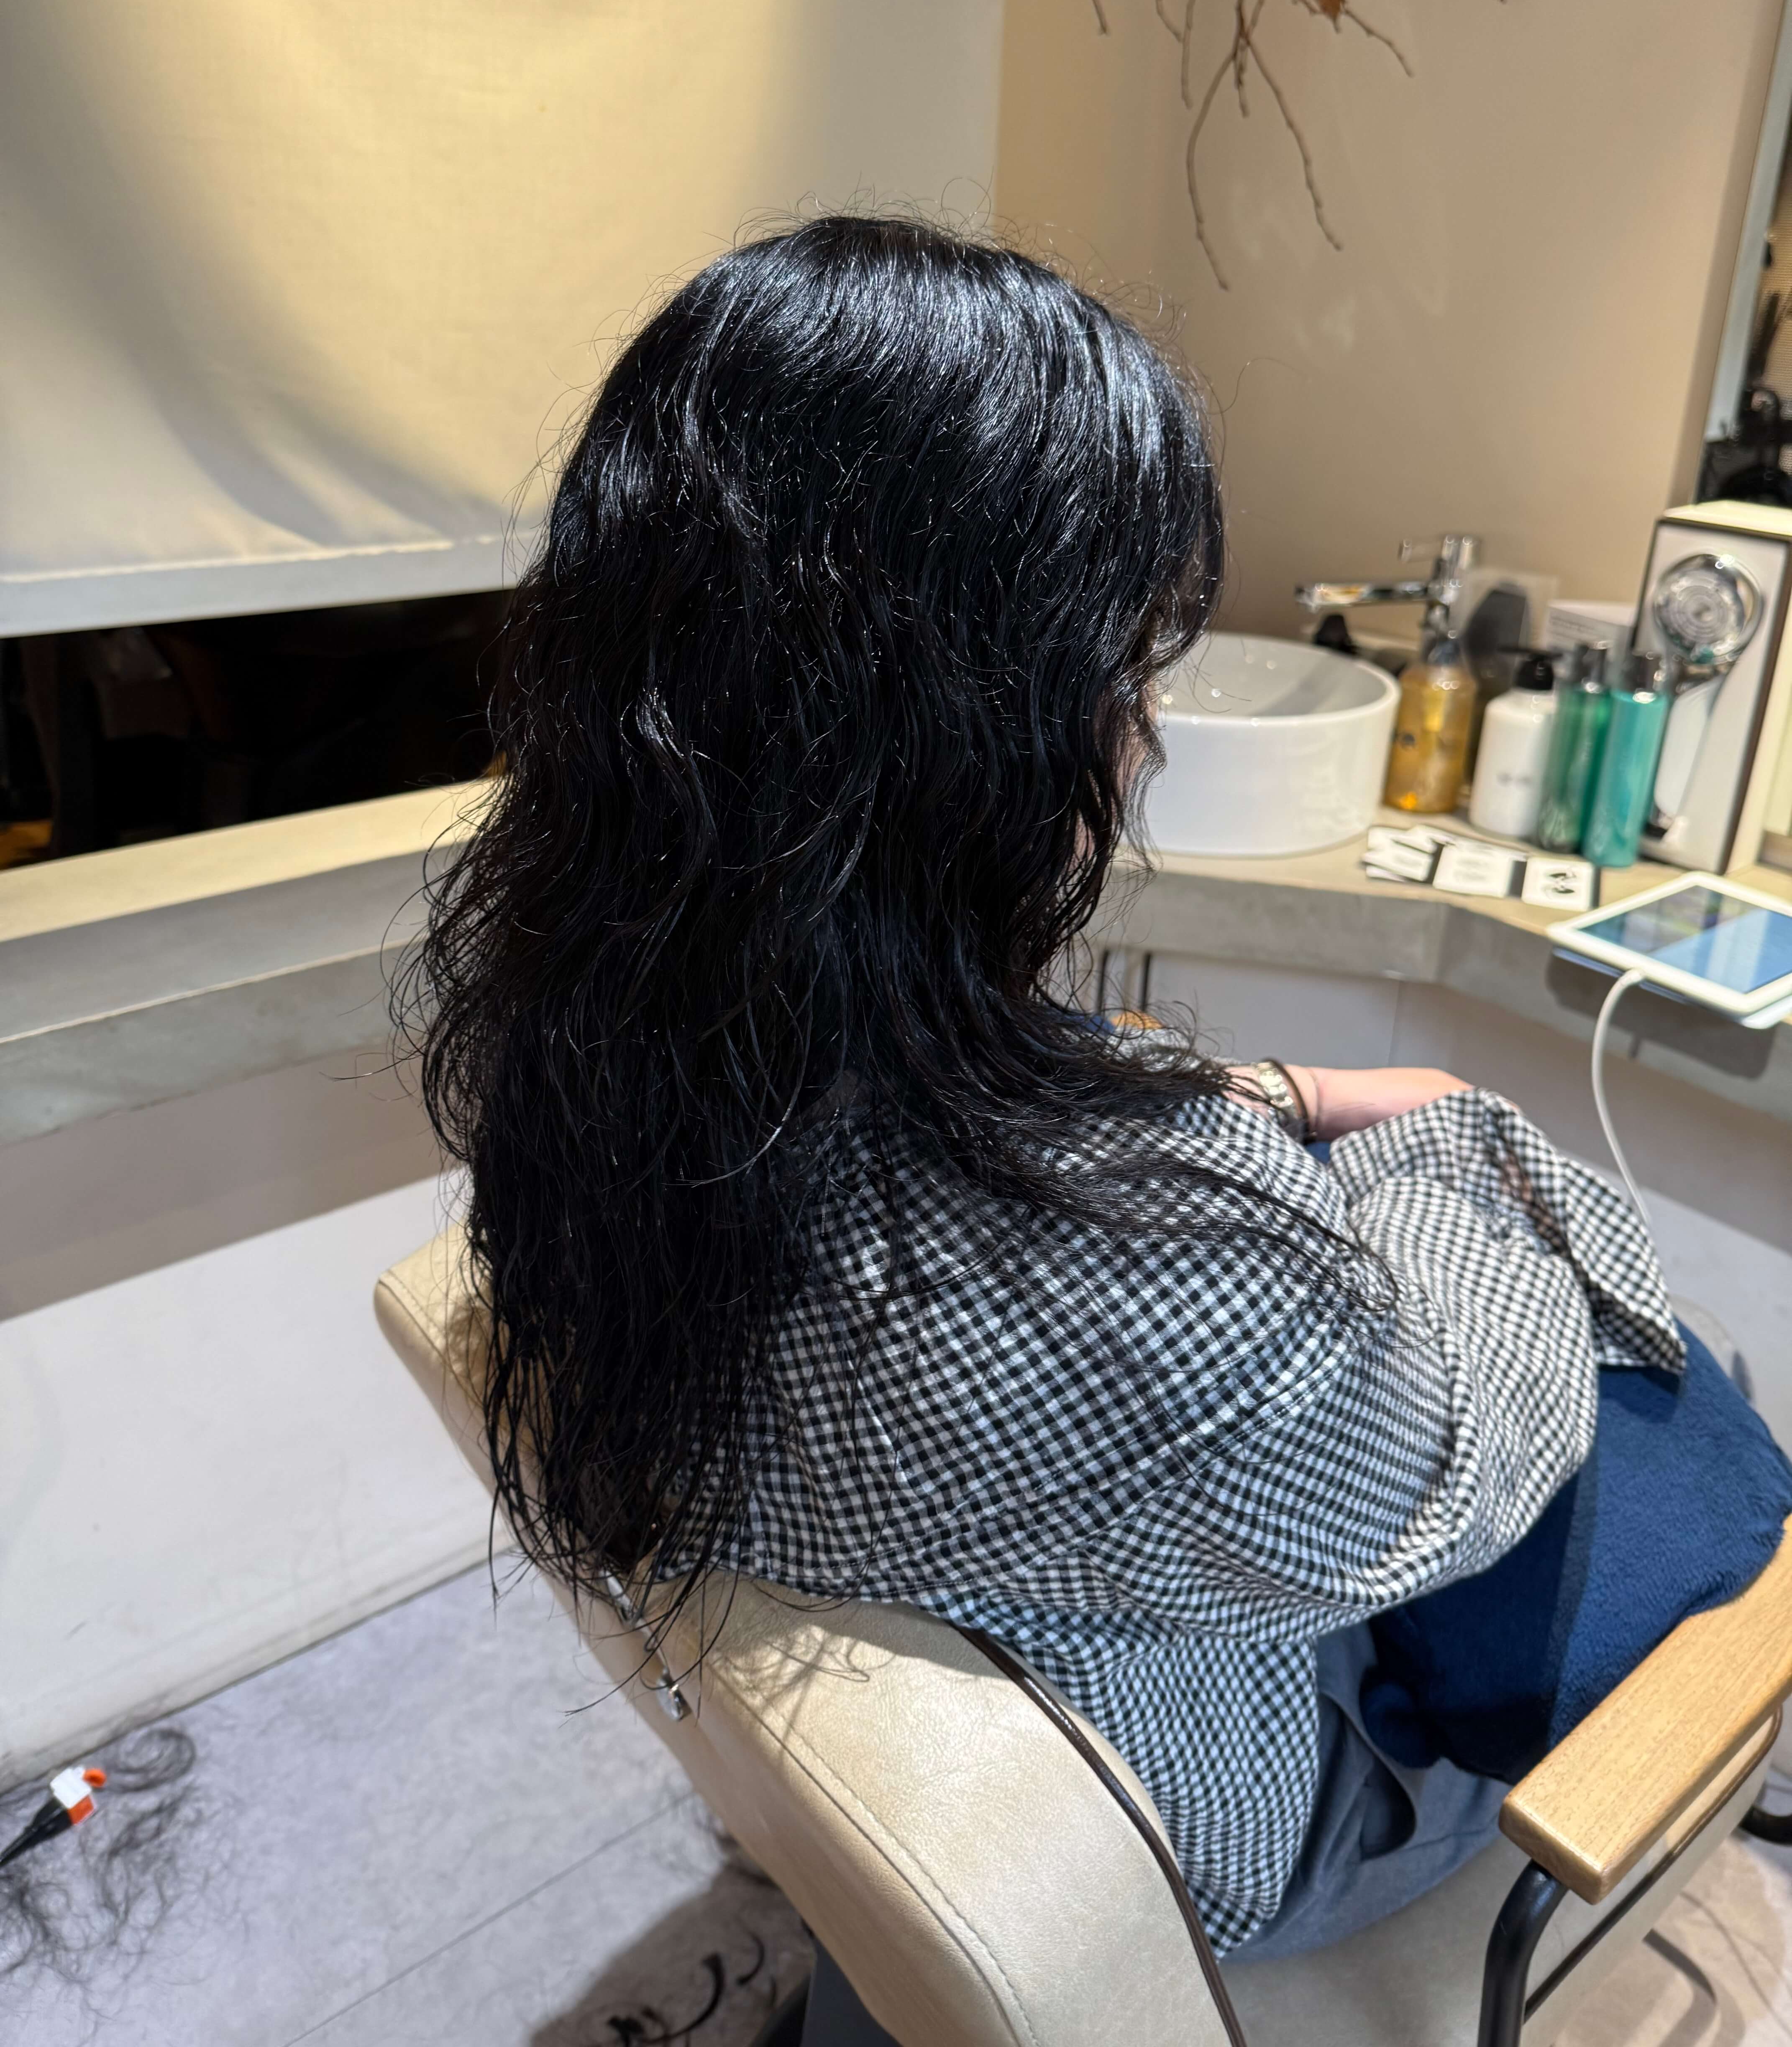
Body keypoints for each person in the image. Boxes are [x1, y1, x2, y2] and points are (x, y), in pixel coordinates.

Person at [405, 215, 1680, 1957]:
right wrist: (1462, 1144)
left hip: (959, 1621)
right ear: (958, 727)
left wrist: (1257, 1094)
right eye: (1121, 670)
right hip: (1211, 1828)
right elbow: (1462, 1451)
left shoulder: (588, 1042)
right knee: (1680, 1403)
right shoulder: (1149, 1285)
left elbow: (1010, 1098)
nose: (1139, 741)